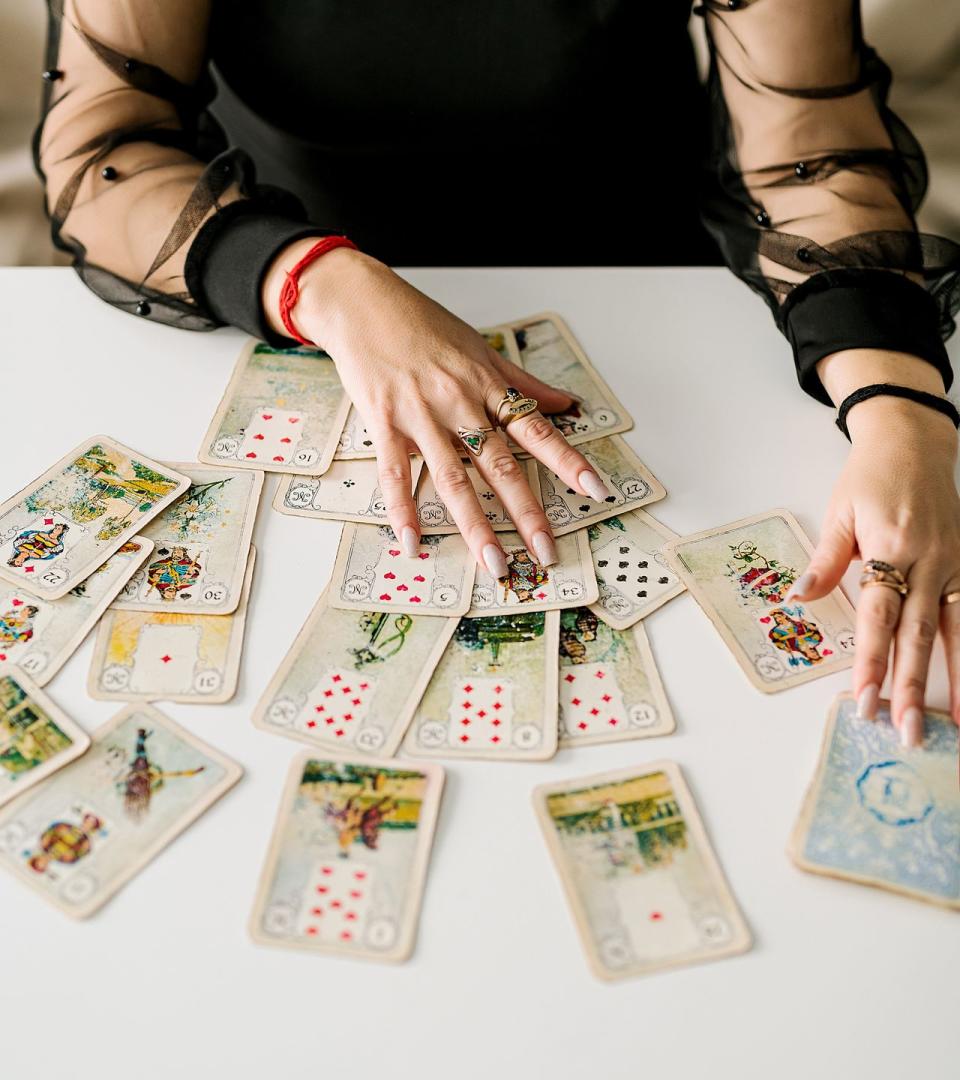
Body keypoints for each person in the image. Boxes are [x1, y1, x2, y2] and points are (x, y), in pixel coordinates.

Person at [34, 1, 960, 745]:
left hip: (649, 302)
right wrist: (324, 281)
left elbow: (814, 159)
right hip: (276, 274)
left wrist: (901, 414)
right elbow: (106, 151)